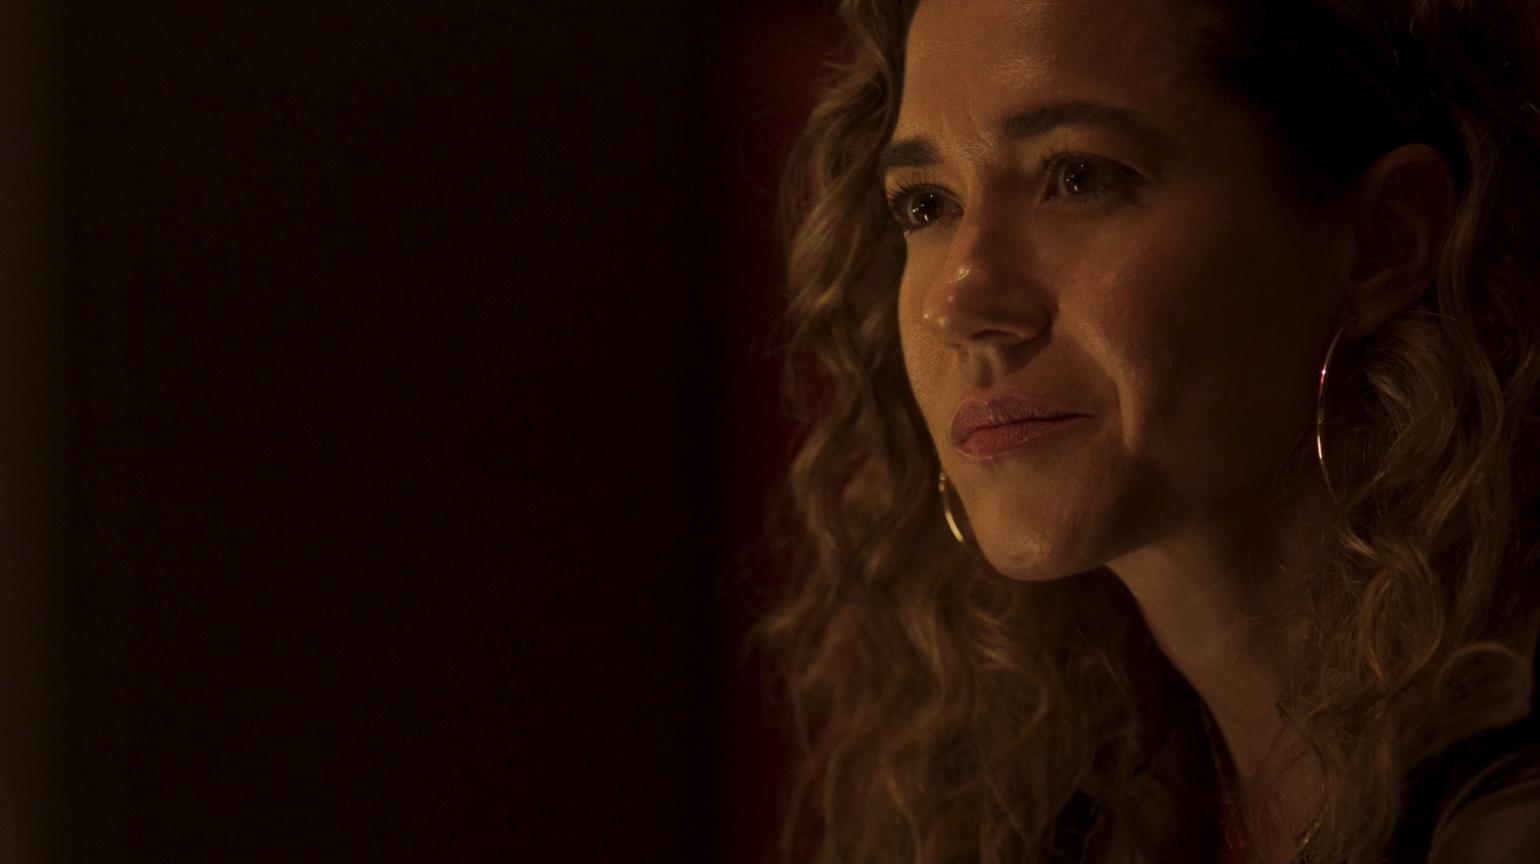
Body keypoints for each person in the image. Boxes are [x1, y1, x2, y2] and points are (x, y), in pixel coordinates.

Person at [750, 0, 1540, 861]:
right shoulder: (1063, 795)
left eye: (1078, 177)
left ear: (1383, 241)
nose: (957, 302)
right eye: (926, 204)